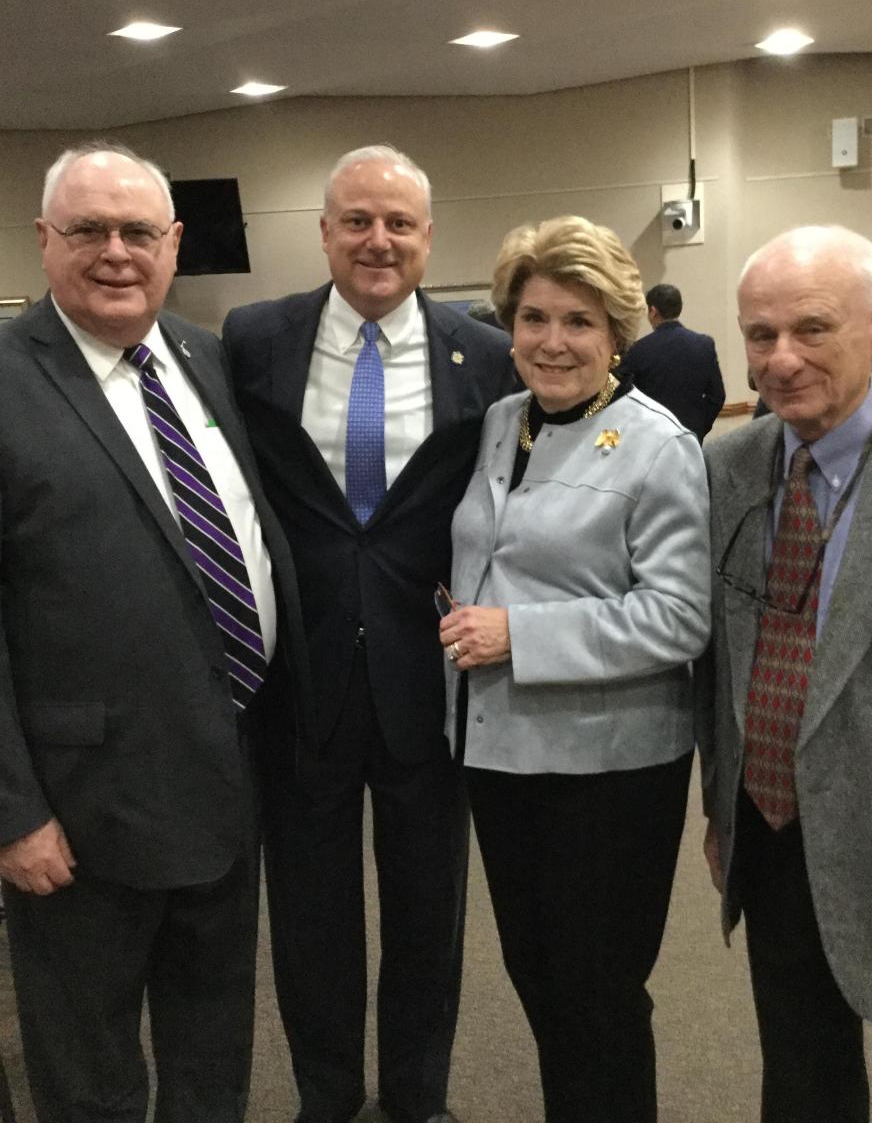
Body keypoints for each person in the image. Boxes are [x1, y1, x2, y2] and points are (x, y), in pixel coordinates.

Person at [0, 143, 305, 1123]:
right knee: (89, 1070)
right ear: (44, 241)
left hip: (226, 779)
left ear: (175, 244)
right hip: (78, 813)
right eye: (89, 230)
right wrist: (10, 809)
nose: (117, 252)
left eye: (139, 232)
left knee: (213, 1050)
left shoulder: (207, 358)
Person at [222, 145, 514, 1123]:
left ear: (429, 236)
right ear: (324, 231)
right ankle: (327, 1093)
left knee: (430, 910)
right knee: (308, 913)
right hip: (298, 676)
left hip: (428, 678)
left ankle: (419, 1095)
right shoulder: (254, 338)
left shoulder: (487, 351)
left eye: (399, 222)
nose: (378, 239)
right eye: (357, 219)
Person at [437, 215, 711, 1123]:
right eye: (535, 318)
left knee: (597, 994)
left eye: (580, 322)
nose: (553, 342)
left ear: (617, 334)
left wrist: (522, 634)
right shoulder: (501, 422)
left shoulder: (657, 444)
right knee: (539, 980)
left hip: (611, 768)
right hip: (502, 755)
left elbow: (678, 617)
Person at [697, 225, 872, 1122]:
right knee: (804, 1088)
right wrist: (718, 805)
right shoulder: (723, 467)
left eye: (812, 329)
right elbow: (718, 661)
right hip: (776, 842)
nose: (779, 360)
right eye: (758, 335)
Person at [617, 281, 725, 441]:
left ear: (653, 311)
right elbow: (717, 396)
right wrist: (699, 427)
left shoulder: (638, 350)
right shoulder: (704, 344)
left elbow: (619, 394)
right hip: (691, 436)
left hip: (651, 437)